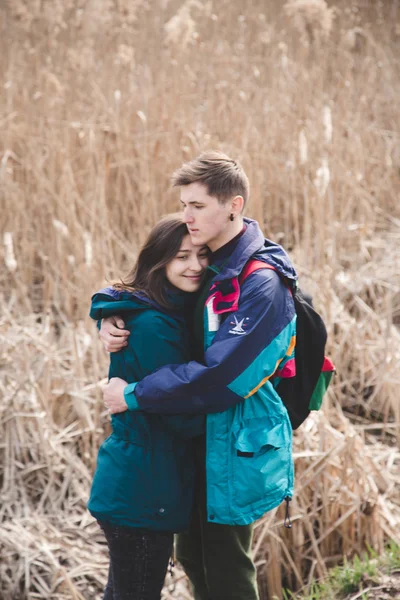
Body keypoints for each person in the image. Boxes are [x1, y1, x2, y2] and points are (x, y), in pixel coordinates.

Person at [99, 151, 298, 600]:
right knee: (193, 557)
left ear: (234, 205)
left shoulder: (260, 282)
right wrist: (108, 316)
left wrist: (134, 394)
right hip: (194, 438)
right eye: (184, 204)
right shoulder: (211, 261)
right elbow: (147, 284)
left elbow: (223, 376)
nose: (186, 216)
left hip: (231, 438)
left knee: (225, 566)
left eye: (198, 206)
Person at [88, 214, 209, 600]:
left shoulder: (164, 309)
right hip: (143, 491)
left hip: (135, 483)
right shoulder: (157, 324)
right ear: (159, 263)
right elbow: (178, 414)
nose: (195, 266)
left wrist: (103, 313)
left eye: (203, 255)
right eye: (181, 257)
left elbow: (119, 297)